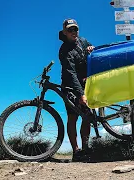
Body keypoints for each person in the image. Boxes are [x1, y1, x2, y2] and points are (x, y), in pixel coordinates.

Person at [58, 18, 95, 162]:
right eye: (70, 30)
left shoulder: (83, 41)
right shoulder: (64, 51)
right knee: (73, 117)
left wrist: (92, 49)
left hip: (85, 83)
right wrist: (80, 95)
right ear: (65, 32)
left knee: (87, 115)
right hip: (70, 86)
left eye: (75, 29)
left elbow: (93, 52)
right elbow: (71, 74)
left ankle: (86, 147)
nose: (73, 32)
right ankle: (76, 151)